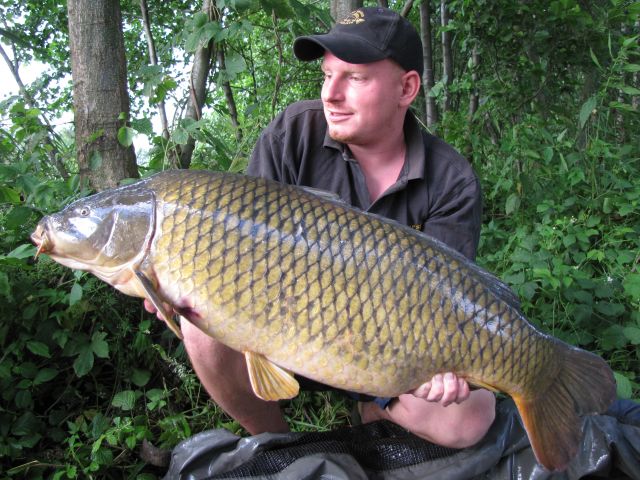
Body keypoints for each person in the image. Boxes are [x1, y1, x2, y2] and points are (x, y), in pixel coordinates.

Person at [147, 6, 496, 449]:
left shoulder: (452, 181)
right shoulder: (293, 133)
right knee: (202, 324)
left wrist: (445, 372)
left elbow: (452, 306)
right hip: (289, 331)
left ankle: (373, 410)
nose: (331, 94)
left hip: (393, 357)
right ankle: (278, 445)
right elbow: (241, 243)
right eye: (327, 75)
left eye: (354, 78)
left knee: (469, 419)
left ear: (406, 88)